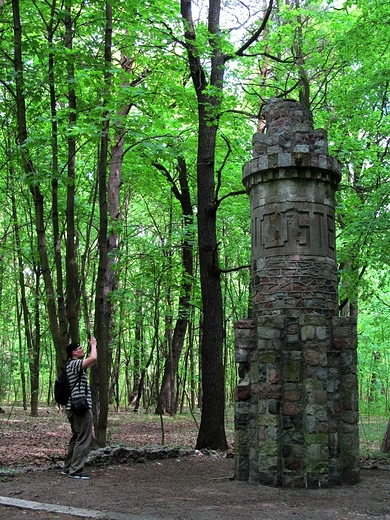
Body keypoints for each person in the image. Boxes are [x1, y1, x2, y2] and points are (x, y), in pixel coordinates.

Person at [61, 337, 97, 480]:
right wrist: (93, 345)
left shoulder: (70, 365)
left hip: (72, 408)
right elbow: (93, 358)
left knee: (76, 437)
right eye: (80, 348)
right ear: (74, 353)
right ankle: (75, 471)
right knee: (83, 438)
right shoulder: (75, 364)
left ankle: (68, 467)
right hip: (80, 408)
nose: (83, 349)